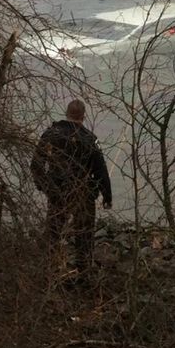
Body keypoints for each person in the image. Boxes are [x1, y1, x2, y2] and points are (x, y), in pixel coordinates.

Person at [31, 100, 112, 277]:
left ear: (66, 113)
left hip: (57, 192)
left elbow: (36, 164)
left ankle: (49, 269)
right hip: (83, 194)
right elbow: (101, 171)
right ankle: (83, 272)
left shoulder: (51, 134)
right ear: (83, 116)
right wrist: (107, 197)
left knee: (54, 232)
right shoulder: (90, 139)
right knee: (84, 235)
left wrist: (45, 187)